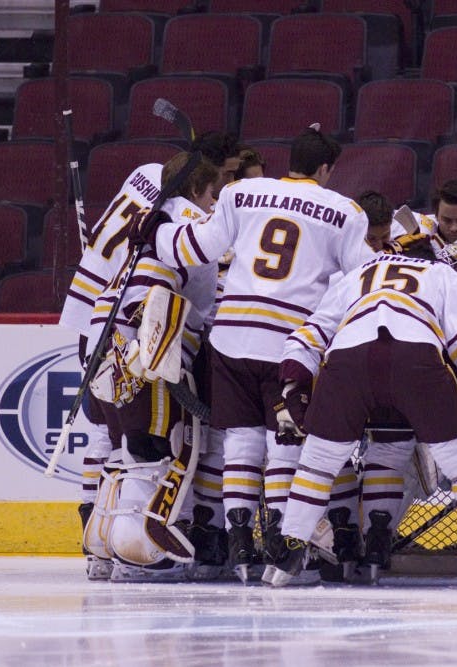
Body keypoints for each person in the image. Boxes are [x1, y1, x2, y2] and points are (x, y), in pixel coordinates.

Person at [130, 126, 378, 583]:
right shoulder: (346, 212)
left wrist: (156, 231)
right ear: (326, 170)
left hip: (231, 338)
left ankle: (242, 548)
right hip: (288, 344)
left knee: (239, 443)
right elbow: (364, 280)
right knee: (283, 446)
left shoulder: (242, 192)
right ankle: (282, 550)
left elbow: (194, 249)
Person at [265, 247, 457, 590]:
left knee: (318, 460)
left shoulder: (357, 272)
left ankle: (290, 548)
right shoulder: (443, 274)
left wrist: (294, 383)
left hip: (350, 356)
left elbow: (310, 332)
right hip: (415, 354)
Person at [82, 153, 222, 581]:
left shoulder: (146, 216)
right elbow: (200, 306)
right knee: (155, 449)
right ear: (197, 190)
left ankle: (101, 545)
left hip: (101, 330)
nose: (215, 202)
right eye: (213, 193)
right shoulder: (189, 228)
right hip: (145, 336)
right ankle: (139, 555)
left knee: (123, 447)